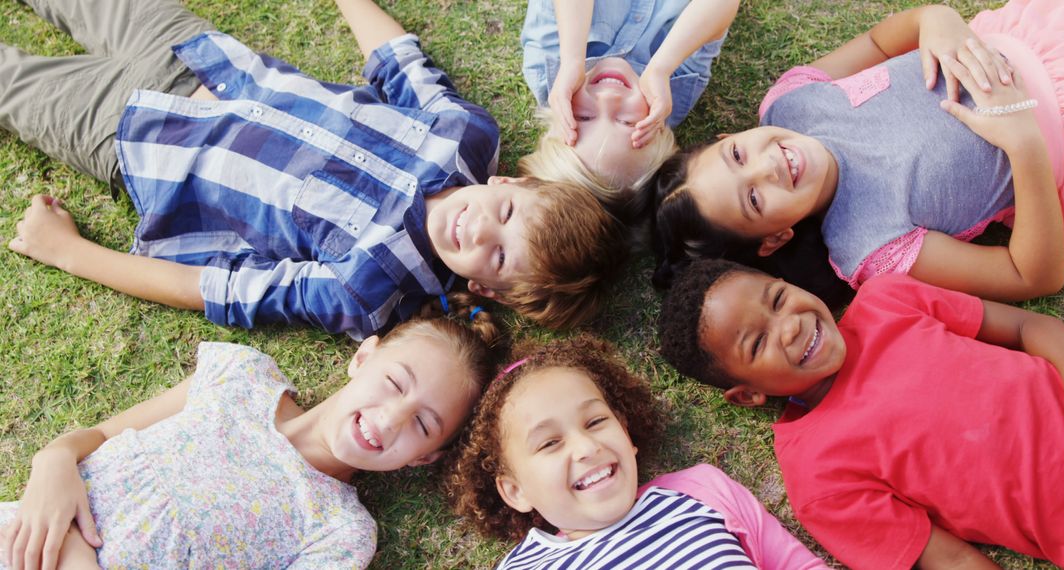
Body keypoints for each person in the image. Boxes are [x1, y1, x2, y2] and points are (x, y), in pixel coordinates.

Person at [3, 0, 627, 338]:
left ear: (485, 291)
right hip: (200, 58)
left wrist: (67, 253)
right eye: (507, 215)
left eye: (495, 257)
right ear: (510, 183)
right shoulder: (463, 138)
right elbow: (398, 62)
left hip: (138, 143)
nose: (478, 230)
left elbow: (221, 292)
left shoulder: (367, 289)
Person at [0, 293, 507, 569]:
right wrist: (51, 462)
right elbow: (97, 435)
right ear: (363, 356)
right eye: (395, 382)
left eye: (422, 424)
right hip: (23, 533)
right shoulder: (239, 376)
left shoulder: (341, 534)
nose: (391, 418)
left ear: (424, 458)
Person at [649, 0, 1064, 305]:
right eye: (754, 199)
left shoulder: (790, 103)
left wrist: (936, 19)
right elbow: (1032, 276)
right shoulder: (870, 246)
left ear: (730, 136)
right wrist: (1023, 144)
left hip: (1047, 36)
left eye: (739, 157)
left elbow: (878, 43)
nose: (769, 166)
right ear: (774, 239)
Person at [658, 258, 1064, 568]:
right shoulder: (816, 475)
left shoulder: (889, 298)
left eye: (779, 299)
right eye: (757, 343)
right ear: (748, 394)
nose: (789, 326)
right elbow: (951, 562)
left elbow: (1036, 329)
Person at [446, 336, 826, 569]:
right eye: (549, 443)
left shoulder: (697, 490)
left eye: (595, 421)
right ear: (515, 491)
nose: (586, 446)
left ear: (626, 433)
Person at [518, 0, 738, 219]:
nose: (608, 98)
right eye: (626, 121)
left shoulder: (547, 67)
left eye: (584, 117)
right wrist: (661, 68)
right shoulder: (675, 90)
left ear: (556, 119)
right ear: (659, 132)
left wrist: (572, 59)